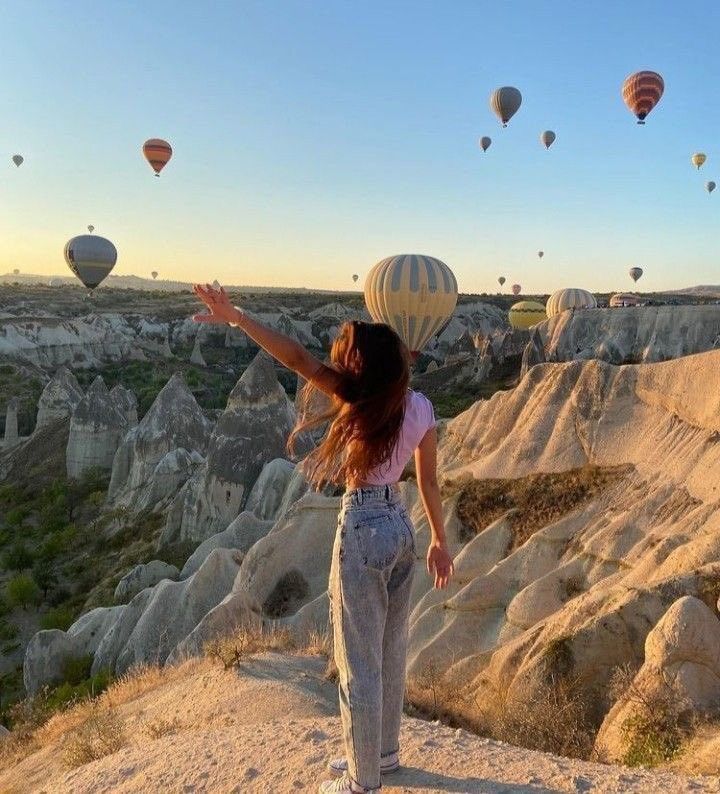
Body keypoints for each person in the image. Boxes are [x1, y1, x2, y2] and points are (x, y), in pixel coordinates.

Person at [193, 284, 454, 793]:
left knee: (359, 661)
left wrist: (239, 318)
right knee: (390, 651)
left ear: (362, 368)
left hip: (361, 524)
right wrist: (439, 540)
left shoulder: (354, 398)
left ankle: (362, 782)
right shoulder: (421, 407)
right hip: (402, 527)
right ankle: (383, 757)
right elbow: (427, 481)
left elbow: (294, 357)